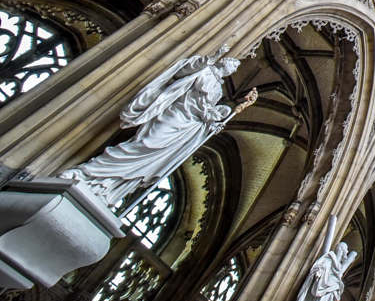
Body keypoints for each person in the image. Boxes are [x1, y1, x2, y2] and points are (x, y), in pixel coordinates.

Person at [62, 46, 255, 206]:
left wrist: (215, 121)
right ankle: (89, 172)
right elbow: (184, 72)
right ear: (223, 61)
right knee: (144, 145)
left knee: (153, 159)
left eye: (234, 67)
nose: (232, 68)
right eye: (232, 63)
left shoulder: (218, 90)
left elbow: (205, 111)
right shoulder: (204, 70)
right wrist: (211, 57)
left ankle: (108, 188)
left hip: (188, 126)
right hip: (175, 116)